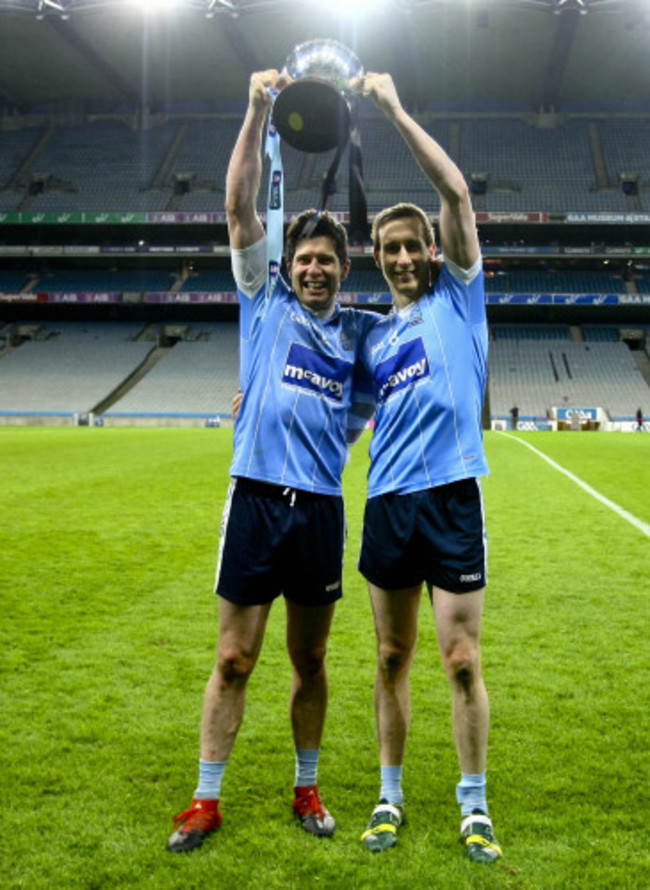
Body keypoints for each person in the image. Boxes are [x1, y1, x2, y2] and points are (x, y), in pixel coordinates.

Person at [167, 69, 376, 854]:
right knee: (233, 657)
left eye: (327, 260)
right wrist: (256, 110)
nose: (314, 268)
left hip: (319, 508)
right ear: (287, 264)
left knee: (310, 658)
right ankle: (205, 799)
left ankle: (307, 787)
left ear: (343, 269)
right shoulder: (264, 300)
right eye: (305, 258)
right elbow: (237, 206)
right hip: (255, 499)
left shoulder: (360, 335)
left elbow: (360, 412)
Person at [356, 73, 501, 863]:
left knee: (462, 661)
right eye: (391, 249)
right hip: (387, 503)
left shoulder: (460, 298)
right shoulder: (374, 339)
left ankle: (473, 804)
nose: (405, 257)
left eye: (415, 245)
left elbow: (455, 190)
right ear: (377, 259)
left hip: (450, 498)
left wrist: (393, 110)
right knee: (390, 658)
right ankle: (389, 796)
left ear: (433, 250)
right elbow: (336, 410)